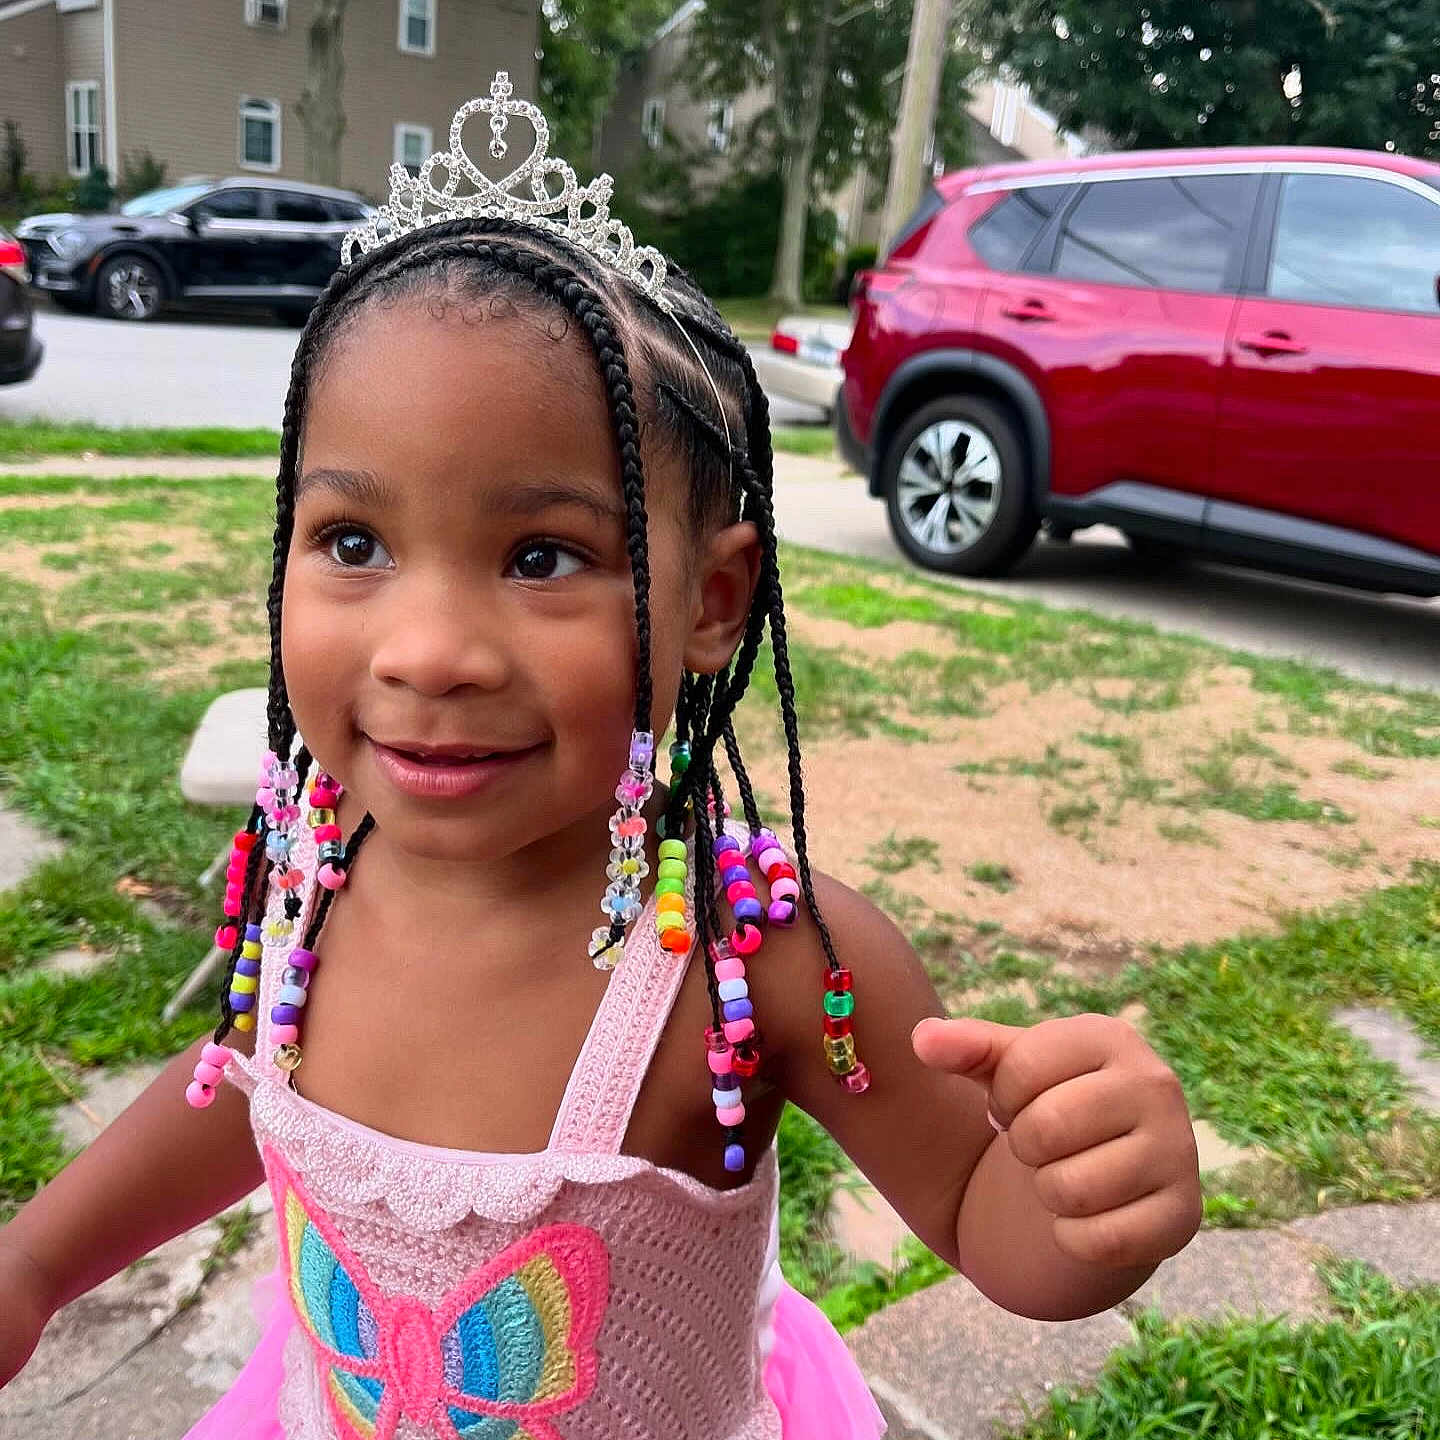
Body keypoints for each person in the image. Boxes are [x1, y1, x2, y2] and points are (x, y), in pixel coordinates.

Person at [0, 75, 1202, 1440]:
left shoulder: (764, 957)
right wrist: (36, 1262)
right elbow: (240, 1092)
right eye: (354, 544)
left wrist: (1085, 1211)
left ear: (712, 603)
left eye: (541, 557)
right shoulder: (309, 878)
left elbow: (983, 1221)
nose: (426, 649)